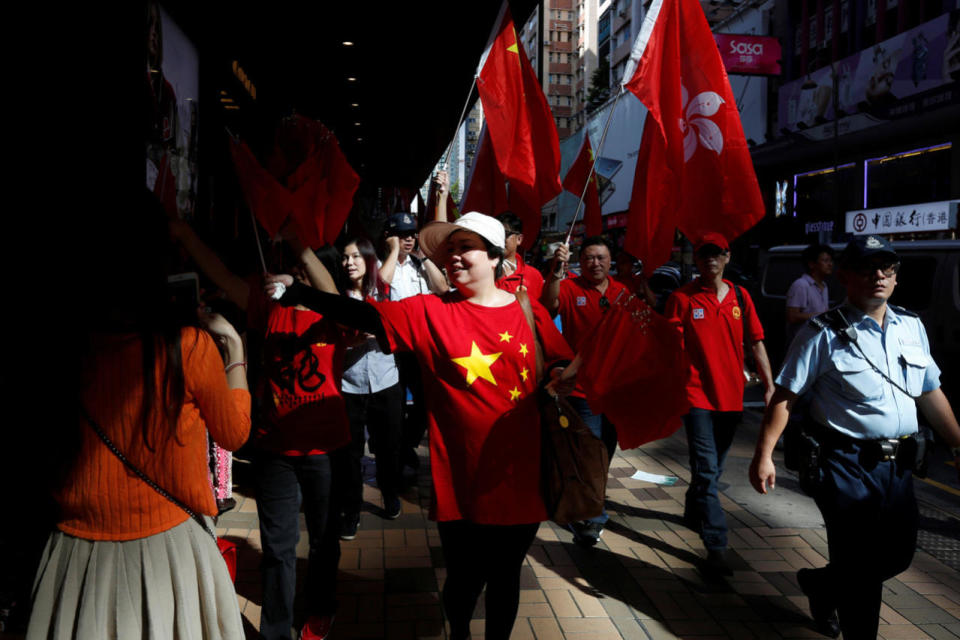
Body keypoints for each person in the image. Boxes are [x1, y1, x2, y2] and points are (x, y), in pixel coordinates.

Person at [266, 212, 575, 640]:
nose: (453, 258)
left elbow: (560, 360)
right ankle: (461, 632)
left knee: (506, 575)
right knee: (464, 581)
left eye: (464, 247)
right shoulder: (429, 311)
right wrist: (296, 291)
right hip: (462, 480)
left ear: (492, 256)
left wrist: (562, 375)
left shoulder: (527, 306)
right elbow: (365, 316)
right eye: (449, 250)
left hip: (522, 476)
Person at [28, 192, 250, 639]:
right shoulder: (187, 345)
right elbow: (235, 432)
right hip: (170, 547)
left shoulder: (59, 347)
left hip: (75, 556)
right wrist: (236, 354)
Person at [749, 235, 960, 639]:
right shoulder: (821, 332)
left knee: (897, 554)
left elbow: (930, 392)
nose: (878, 276)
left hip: (898, 467)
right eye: (867, 268)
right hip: (843, 464)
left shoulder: (912, 327)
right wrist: (764, 454)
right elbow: (785, 396)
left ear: (896, 278)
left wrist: (957, 444)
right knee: (862, 569)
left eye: (887, 268)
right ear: (847, 276)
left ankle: (823, 585)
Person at [169, 220, 345, 640]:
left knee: (323, 541)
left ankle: (320, 608)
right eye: (294, 270)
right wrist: (185, 233)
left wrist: (301, 246)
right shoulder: (268, 308)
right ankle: (276, 631)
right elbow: (222, 277)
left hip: (325, 448)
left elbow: (333, 296)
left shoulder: (336, 316)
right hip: (275, 449)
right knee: (278, 548)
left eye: (304, 272)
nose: (294, 277)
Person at [664, 232, 774, 577]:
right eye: (703, 254)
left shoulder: (741, 296)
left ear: (727, 258)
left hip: (731, 397)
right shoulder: (682, 298)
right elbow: (669, 346)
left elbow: (756, 343)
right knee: (708, 470)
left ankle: (694, 504)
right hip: (696, 396)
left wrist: (770, 385)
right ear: (696, 260)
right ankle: (716, 544)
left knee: (713, 469)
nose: (710, 259)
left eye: (716, 254)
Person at [541, 236, 627, 546]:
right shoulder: (569, 287)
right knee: (590, 454)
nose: (596, 263)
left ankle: (590, 503)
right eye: (589, 258)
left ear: (609, 260)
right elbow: (548, 305)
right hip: (581, 391)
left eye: (601, 258)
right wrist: (556, 271)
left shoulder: (622, 292)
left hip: (615, 393)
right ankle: (592, 516)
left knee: (606, 451)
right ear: (581, 260)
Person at [339, 237, 404, 540]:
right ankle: (350, 511)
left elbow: (403, 329)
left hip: (386, 382)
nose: (349, 263)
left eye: (355, 257)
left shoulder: (384, 293)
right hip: (349, 386)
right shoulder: (335, 296)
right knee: (350, 456)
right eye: (344, 257)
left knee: (389, 448)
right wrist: (349, 341)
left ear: (368, 260)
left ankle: (390, 495)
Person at [379, 209, 448, 480]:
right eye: (402, 235)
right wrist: (392, 252)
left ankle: (406, 446)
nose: (408, 240)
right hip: (391, 350)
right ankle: (394, 460)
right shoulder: (381, 264)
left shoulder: (419, 264)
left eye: (411, 235)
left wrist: (424, 256)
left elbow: (442, 289)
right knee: (394, 410)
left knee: (424, 404)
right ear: (389, 236)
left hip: (418, 349)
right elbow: (379, 284)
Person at [785, 244, 834, 348]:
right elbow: (792, 316)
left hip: (819, 341)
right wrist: (822, 315)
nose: (830, 264)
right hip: (802, 344)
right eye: (825, 261)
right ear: (812, 264)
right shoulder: (801, 285)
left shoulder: (824, 286)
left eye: (830, 261)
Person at [495, 212, 544, 300]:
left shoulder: (534, 276)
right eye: (495, 234)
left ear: (519, 239)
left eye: (505, 234)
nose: (499, 239)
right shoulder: (483, 272)